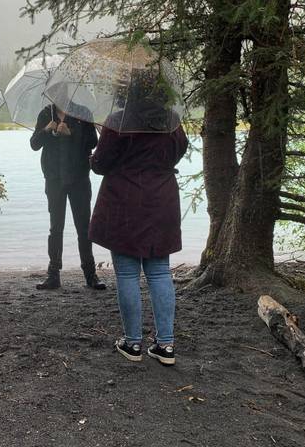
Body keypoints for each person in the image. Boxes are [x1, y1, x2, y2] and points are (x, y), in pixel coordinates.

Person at [89, 92, 188, 365]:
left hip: (124, 201)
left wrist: (97, 149)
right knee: (159, 271)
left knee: (127, 273)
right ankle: (165, 345)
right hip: (162, 200)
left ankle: (133, 343)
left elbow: (100, 165)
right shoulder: (172, 120)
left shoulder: (118, 121)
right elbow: (179, 151)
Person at [30, 97, 106, 291]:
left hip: (79, 178)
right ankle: (53, 275)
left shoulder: (83, 112)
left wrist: (70, 133)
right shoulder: (46, 113)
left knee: (83, 227)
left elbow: (93, 141)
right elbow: (34, 144)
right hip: (54, 179)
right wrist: (47, 130)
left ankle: (90, 275)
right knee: (56, 227)